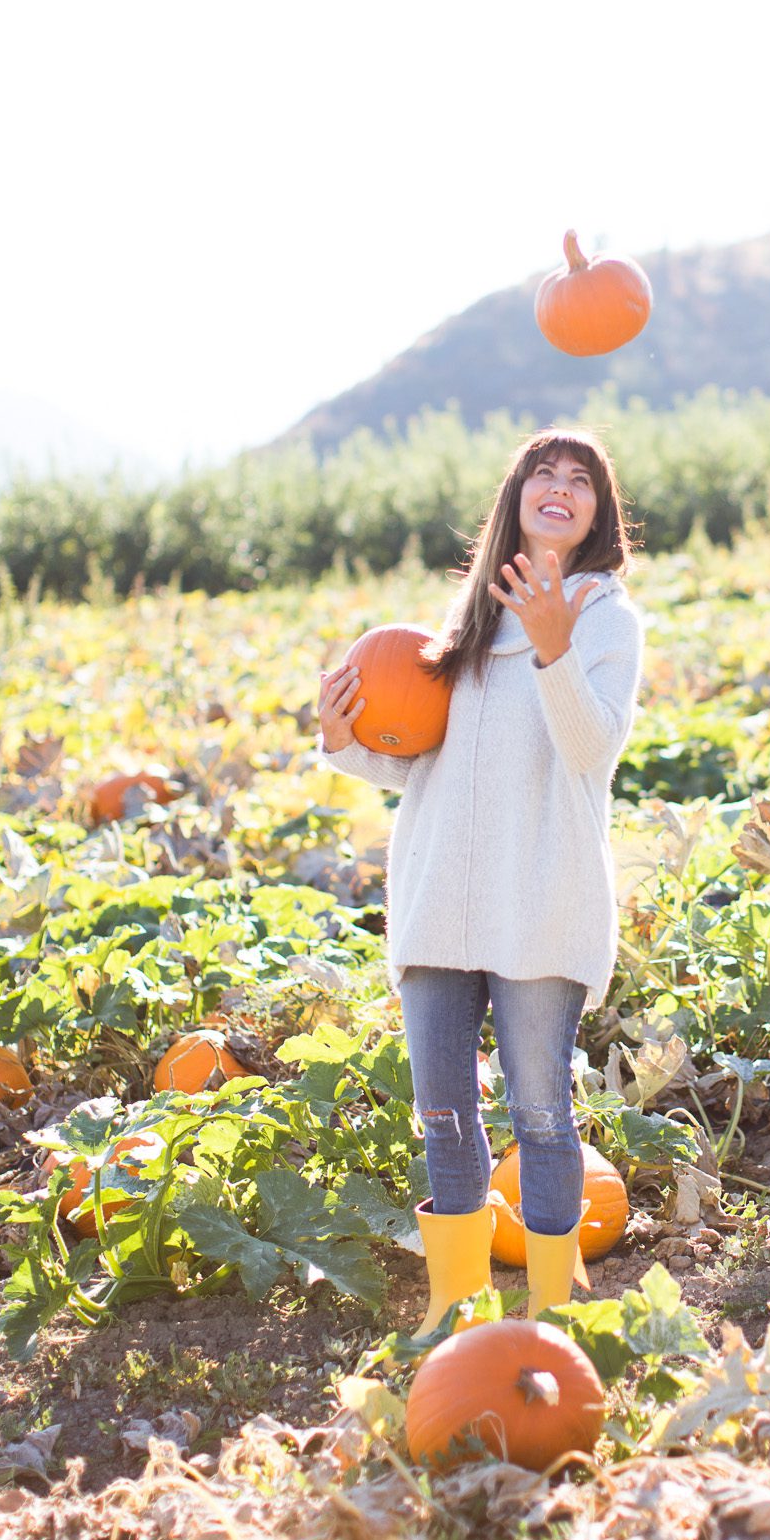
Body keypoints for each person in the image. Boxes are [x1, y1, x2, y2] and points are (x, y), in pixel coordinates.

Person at [317, 426, 644, 1335]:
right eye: (544, 472)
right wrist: (344, 741)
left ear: (596, 513)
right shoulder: (464, 618)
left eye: (581, 480)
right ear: (516, 497)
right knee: (444, 1116)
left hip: (539, 897)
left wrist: (554, 649)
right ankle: (453, 1306)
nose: (560, 486)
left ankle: (551, 1312)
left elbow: (589, 751)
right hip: (441, 897)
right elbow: (428, 762)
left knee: (540, 1109)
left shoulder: (605, 619)